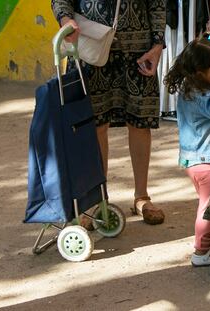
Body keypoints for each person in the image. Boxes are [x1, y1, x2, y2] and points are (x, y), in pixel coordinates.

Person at [51, 0, 166, 225]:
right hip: (89, 46)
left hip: (138, 50)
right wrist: (66, 19)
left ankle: (141, 197)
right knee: (94, 125)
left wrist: (157, 44)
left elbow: (157, 4)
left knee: (140, 122)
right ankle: (97, 200)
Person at [164, 38, 210, 266]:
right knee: (207, 207)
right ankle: (200, 252)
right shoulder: (199, 95)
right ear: (199, 72)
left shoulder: (192, 88)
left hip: (196, 160)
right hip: (207, 161)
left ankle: (209, 239)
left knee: (207, 202)